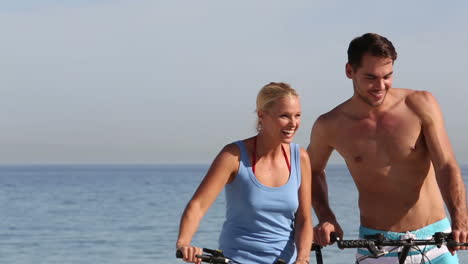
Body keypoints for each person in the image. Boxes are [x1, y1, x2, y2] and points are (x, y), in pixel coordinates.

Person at [308, 33, 468, 263]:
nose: (380, 86)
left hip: (436, 242)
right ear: (349, 71)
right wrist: (327, 217)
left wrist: (460, 219)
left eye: (387, 76)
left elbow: (446, 165)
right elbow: (310, 171)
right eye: (371, 77)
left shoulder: (419, 104)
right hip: (376, 248)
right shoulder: (330, 125)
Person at [176, 82, 313, 264]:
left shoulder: (300, 157)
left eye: (297, 116)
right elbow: (198, 205)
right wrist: (184, 242)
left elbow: (304, 220)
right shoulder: (233, 156)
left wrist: (303, 259)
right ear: (262, 115)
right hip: (236, 259)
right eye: (284, 116)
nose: (293, 123)